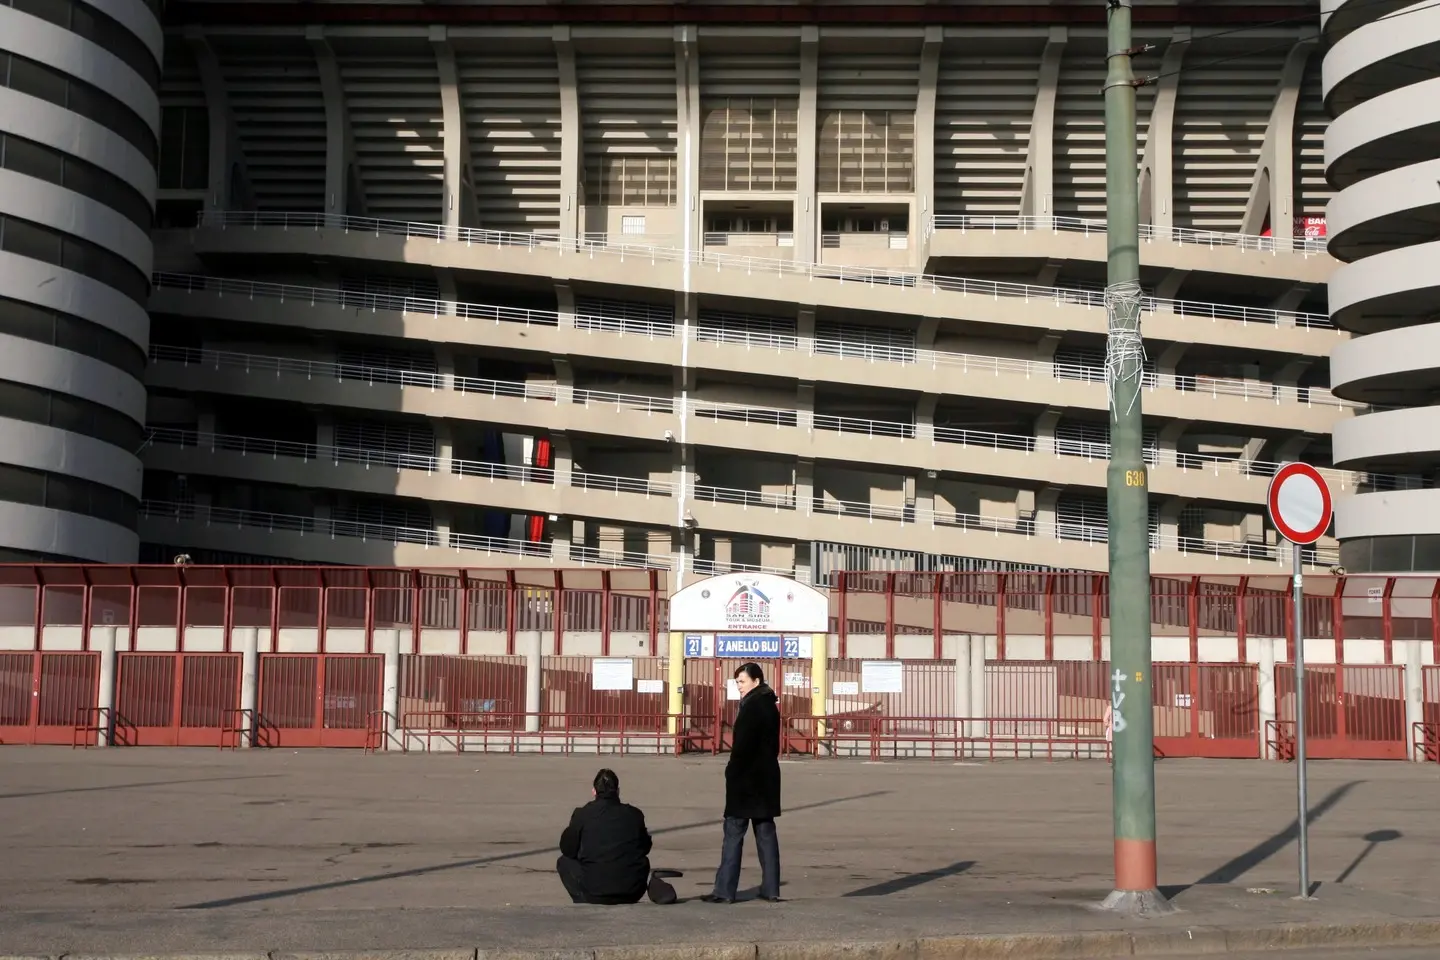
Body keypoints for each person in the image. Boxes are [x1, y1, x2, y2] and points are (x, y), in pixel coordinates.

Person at [702, 662, 782, 903]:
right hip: (766, 779)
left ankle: (724, 890)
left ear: (756, 681)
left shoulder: (752, 706)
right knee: (765, 833)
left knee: (733, 833)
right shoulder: (770, 705)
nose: (739, 686)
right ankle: (771, 888)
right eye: (737, 682)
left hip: (746, 781)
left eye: (743, 681)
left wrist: (731, 772)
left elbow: (742, 747)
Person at [557, 768, 676, 905]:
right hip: (632, 892)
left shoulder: (582, 814)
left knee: (564, 862)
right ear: (618, 791)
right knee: (641, 860)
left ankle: (583, 902)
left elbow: (567, 849)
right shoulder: (635, 814)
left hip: (594, 893)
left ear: (594, 792)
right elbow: (645, 848)